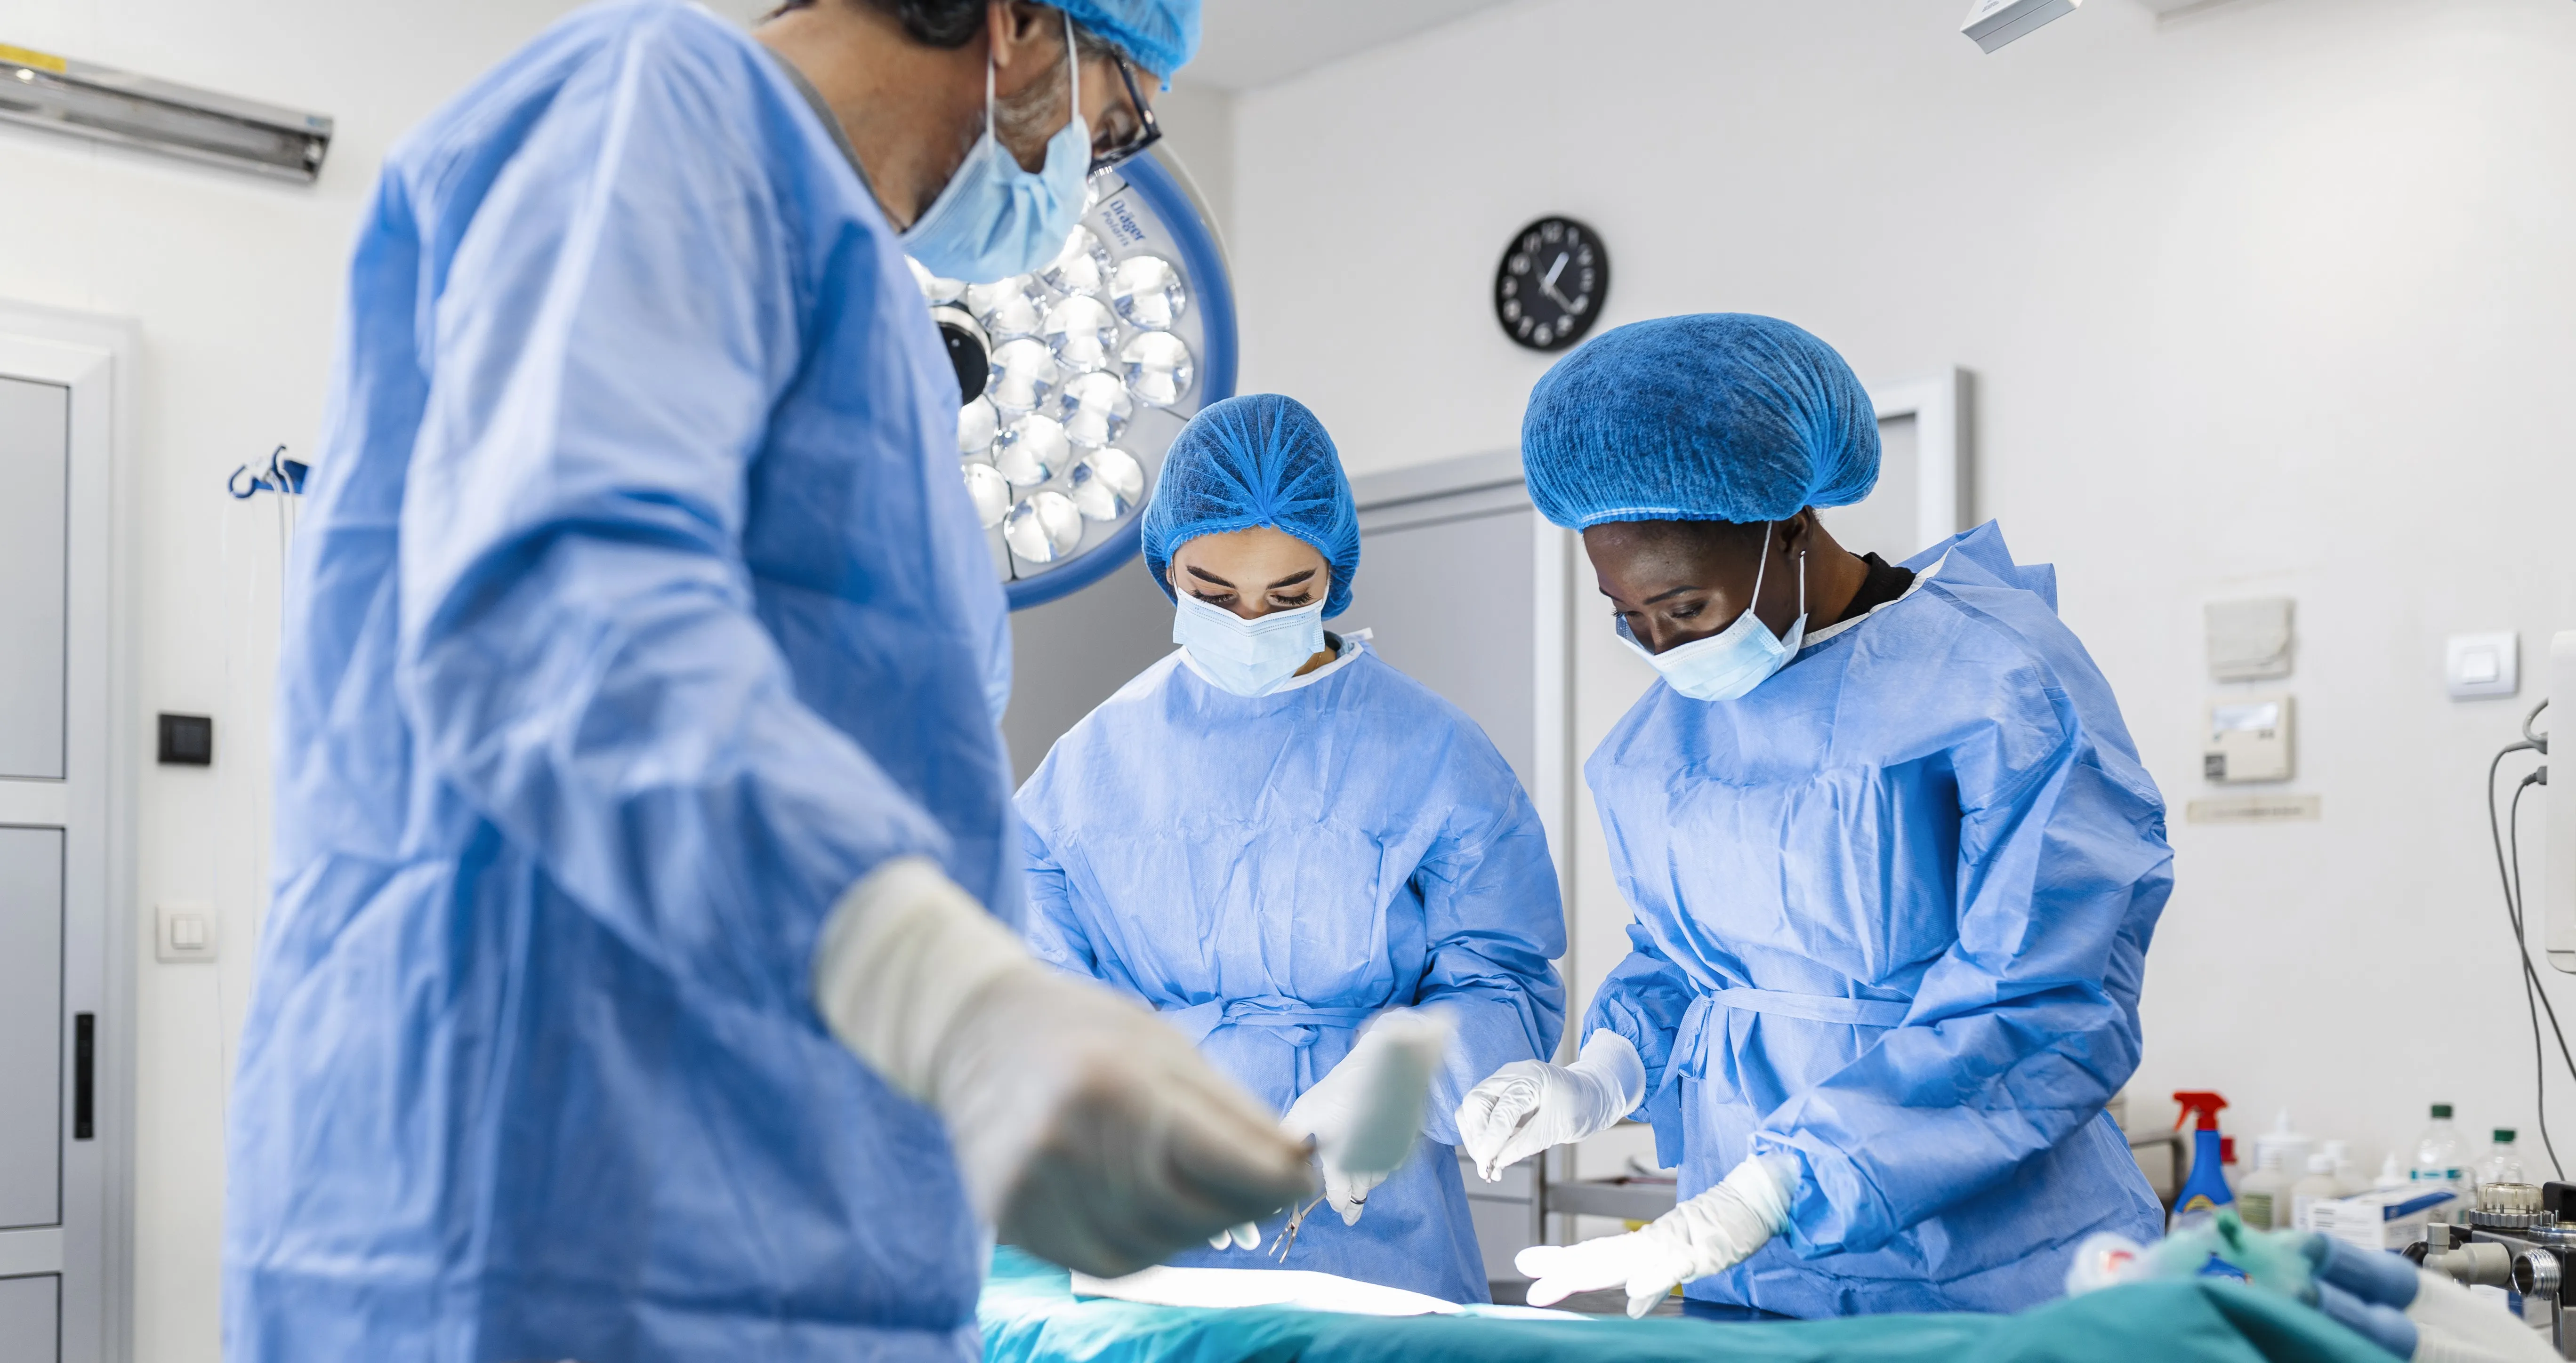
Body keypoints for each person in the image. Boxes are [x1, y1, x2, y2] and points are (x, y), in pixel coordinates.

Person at [222, 2, 1313, 1359]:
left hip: (780, 1226)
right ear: (1029, 28)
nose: (1097, 169)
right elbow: (568, 619)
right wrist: (951, 996)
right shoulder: (661, 110)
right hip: (552, 1210)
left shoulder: (852, 302)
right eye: (1124, 121)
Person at [1455, 313, 2170, 1320]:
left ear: (1789, 526)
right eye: (1630, 618)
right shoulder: (1663, 739)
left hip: (1995, 1274)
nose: (1661, 645)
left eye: (1687, 607)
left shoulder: (1997, 683)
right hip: (1758, 1276)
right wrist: (1603, 1072)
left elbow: (2043, 999)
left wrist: (1781, 1182)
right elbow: (1686, 962)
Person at [1015, 394, 1568, 1303]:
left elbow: (1504, 979)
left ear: (1335, 576)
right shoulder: (1086, 768)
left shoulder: (1432, 752)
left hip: (1377, 1227)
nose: (1248, 622)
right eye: (1213, 594)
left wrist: (1397, 1080)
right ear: (1166, 567)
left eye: (1287, 597)